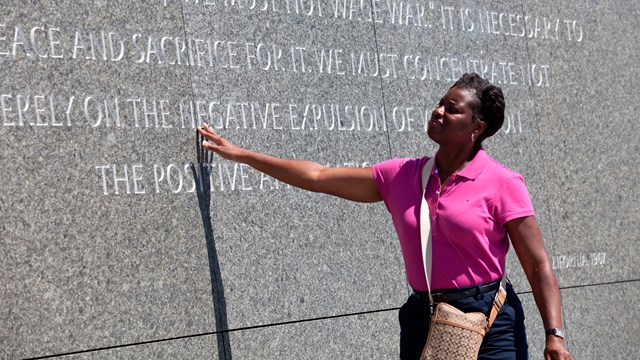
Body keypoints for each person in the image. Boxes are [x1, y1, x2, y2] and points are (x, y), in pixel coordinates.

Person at [197, 73, 572, 360]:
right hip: (425, 317)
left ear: (476, 129)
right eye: (440, 102)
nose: (438, 111)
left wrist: (554, 334)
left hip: (490, 319)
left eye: (452, 108)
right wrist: (241, 155)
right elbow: (318, 176)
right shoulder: (402, 176)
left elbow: (538, 265)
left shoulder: (503, 182)